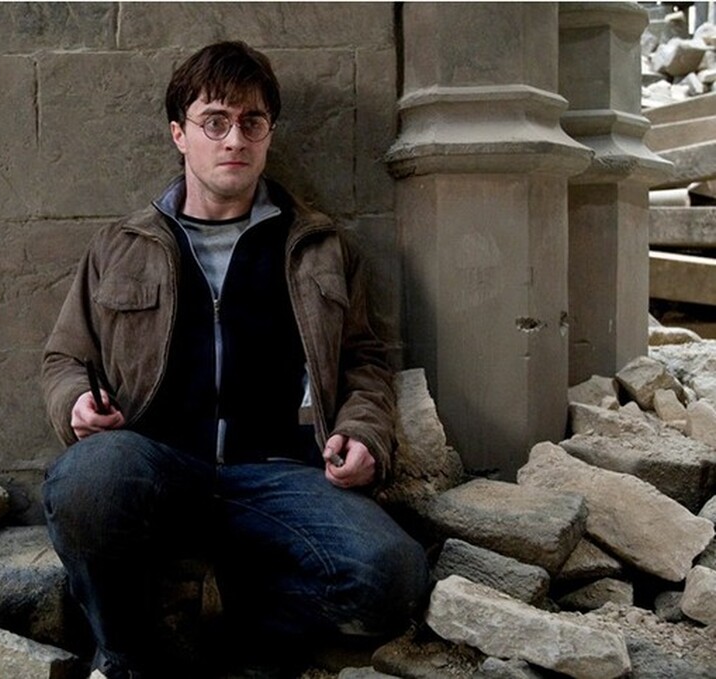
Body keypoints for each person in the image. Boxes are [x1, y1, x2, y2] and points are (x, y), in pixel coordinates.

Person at [41, 41, 429, 679]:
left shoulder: (320, 246)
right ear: (180, 134)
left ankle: (235, 639)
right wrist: (76, 403)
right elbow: (65, 357)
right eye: (215, 122)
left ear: (270, 133)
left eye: (252, 122)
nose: (235, 140)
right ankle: (125, 658)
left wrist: (364, 433)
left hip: (279, 476)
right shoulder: (122, 245)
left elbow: (364, 363)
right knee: (88, 481)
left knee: (392, 575)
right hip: (155, 465)